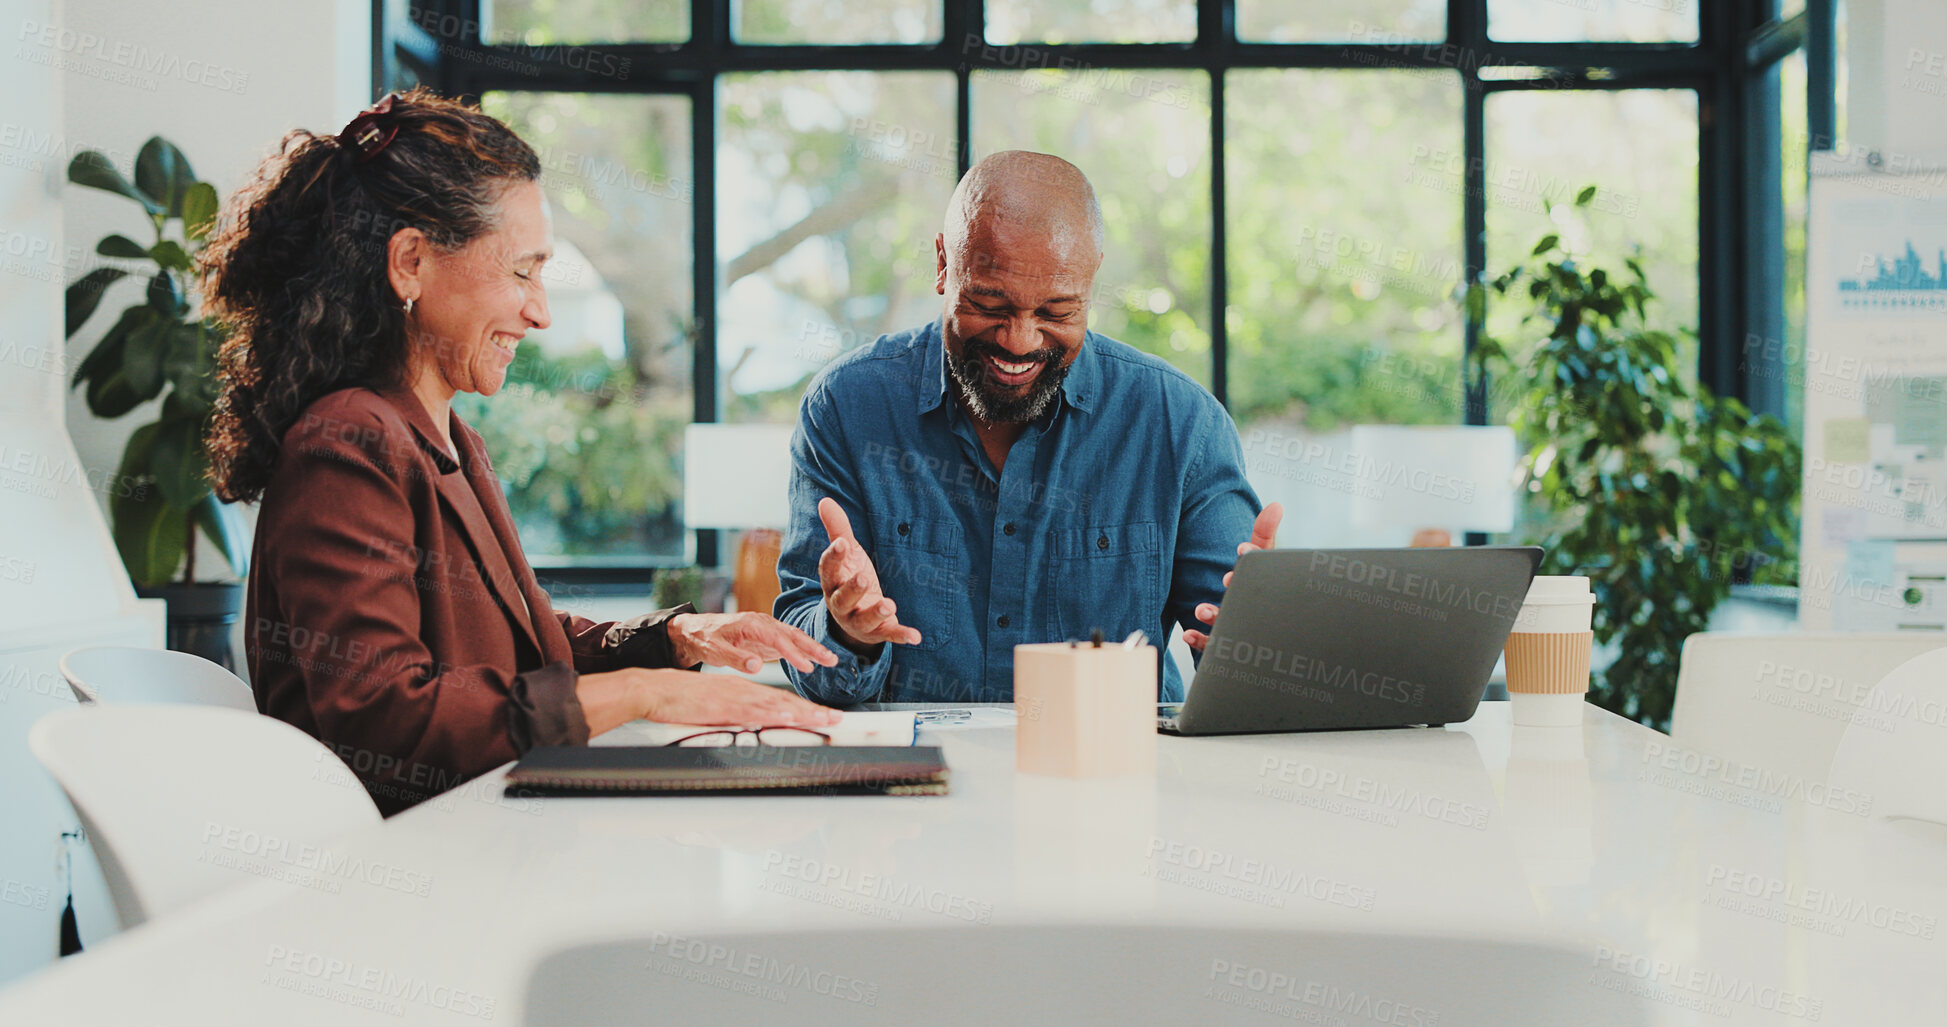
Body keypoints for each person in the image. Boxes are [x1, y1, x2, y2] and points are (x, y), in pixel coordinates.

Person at [203, 90, 837, 814]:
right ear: (410, 261)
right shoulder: (347, 441)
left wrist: (679, 637)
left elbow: (521, 649)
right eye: (521, 271)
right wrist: (647, 691)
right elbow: (387, 721)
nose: (539, 311)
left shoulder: (446, 438)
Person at [776, 150, 1281, 706]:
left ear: (1091, 282)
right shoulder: (849, 407)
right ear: (944, 265)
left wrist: (1256, 641)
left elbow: (1245, 679)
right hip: (923, 783)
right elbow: (804, 644)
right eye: (989, 303)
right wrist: (848, 633)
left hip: (1116, 776)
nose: (1019, 341)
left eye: (1057, 313)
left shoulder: (1179, 423)